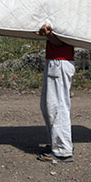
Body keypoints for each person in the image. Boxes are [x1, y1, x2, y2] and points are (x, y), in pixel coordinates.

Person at [37, 24, 75, 162]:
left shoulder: (65, 19)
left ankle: (62, 150)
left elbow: (62, 41)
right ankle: (58, 143)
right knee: (48, 106)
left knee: (57, 107)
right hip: (56, 62)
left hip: (60, 62)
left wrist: (48, 35)